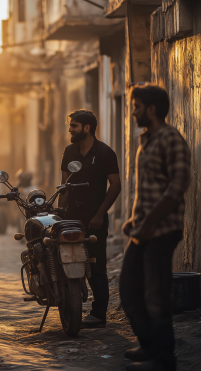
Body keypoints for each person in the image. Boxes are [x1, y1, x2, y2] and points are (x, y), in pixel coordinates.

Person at [120, 84, 191, 371]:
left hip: (162, 231)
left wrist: (148, 223)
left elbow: (176, 188)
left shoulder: (171, 139)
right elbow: (148, 188)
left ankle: (164, 361)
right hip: (143, 229)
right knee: (128, 289)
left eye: (136, 106)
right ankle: (149, 345)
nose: (133, 111)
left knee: (155, 296)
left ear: (151, 109)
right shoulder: (146, 139)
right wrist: (135, 220)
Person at [58, 109, 121, 328]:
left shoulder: (104, 153)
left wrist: (99, 214)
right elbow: (64, 186)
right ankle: (69, 305)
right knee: (65, 260)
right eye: (70, 125)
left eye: (74, 125)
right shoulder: (69, 151)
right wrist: (60, 213)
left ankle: (98, 313)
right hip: (71, 218)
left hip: (94, 220)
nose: (70, 129)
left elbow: (116, 185)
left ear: (87, 128)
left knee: (95, 267)